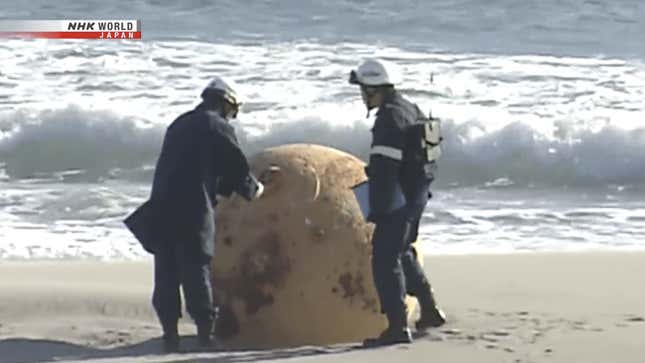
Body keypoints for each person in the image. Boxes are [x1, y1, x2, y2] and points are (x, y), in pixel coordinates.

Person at [124, 76, 265, 353]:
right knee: (195, 269)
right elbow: (235, 167)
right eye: (233, 111)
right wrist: (256, 189)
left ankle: (170, 336)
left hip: (162, 207)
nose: (232, 118)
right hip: (192, 210)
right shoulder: (217, 125)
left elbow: (204, 168)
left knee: (166, 272)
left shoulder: (179, 123)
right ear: (226, 104)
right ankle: (204, 336)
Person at [348, 58, 447, 347]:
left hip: (400, 196)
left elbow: (385, 169)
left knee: (384, 257)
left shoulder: (388, 118)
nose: (363, 96)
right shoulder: (409, 108)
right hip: (418, 193)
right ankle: (429, 310)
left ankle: (397, 328)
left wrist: (377, 208)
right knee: (402, 251)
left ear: (373, 89)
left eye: (364, 90)